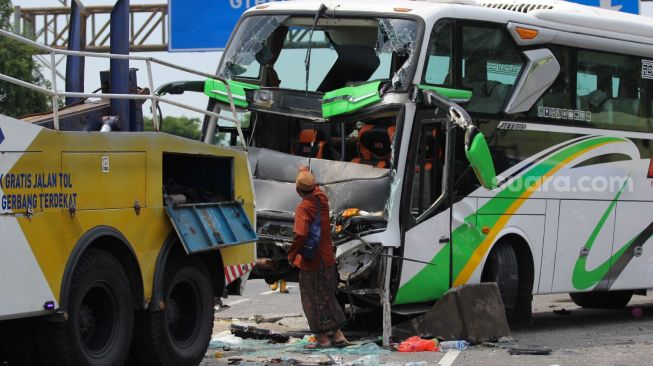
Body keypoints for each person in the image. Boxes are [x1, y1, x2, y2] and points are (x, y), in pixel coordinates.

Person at [288, 167, 349, 348]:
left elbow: (300, 234)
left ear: (298, 190)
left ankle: (322, 339)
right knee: (327, 296)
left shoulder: (303, 208)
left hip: (311, 261)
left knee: (311, 299)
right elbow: (313, 187)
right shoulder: (322, 199)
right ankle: (338, 335)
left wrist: (292, 255)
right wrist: (307, 172)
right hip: (327, 258)